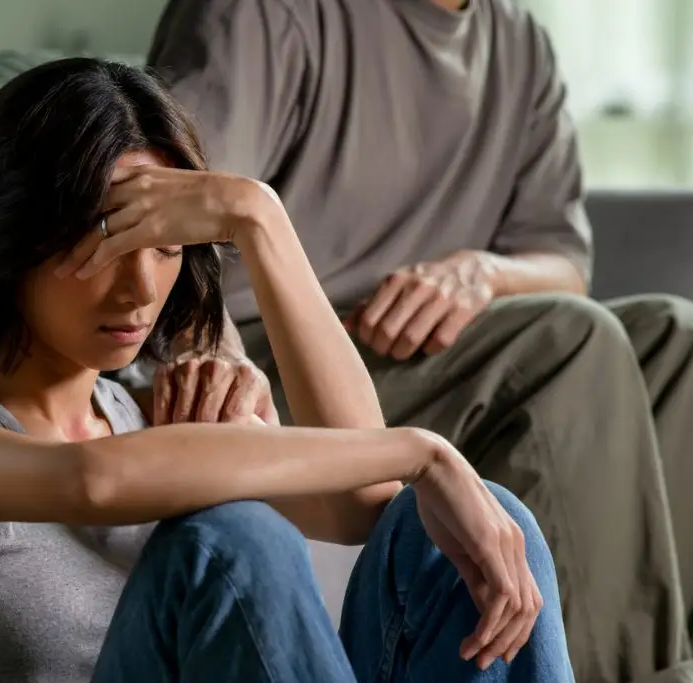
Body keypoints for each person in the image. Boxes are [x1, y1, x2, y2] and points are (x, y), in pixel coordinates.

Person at [0, 57, 574, 683]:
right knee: (229, 539)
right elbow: (89, 481)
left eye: (166, 247)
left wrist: (258, 218)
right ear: (10, 232)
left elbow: (362, 502)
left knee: (481, 518)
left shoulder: (152, 415)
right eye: (104, 241)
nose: (140, 289)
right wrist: (424, 451)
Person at [144, 1, 693, 682]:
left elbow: (563, 263)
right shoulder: (267, 12)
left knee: (673, 337)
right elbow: (174, 206)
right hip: (280, 357)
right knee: (575, 341)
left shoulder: (519, 42)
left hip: (436, 353)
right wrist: (212, 353)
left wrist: (484, 273)